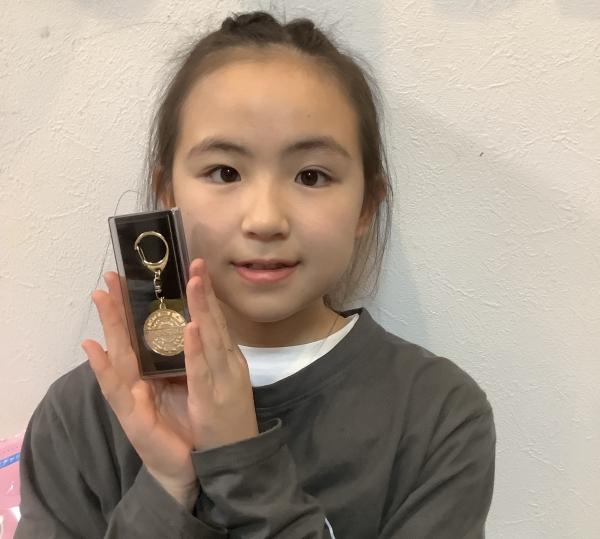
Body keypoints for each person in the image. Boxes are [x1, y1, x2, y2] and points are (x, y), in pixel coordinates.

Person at [15, 10, 496, 539]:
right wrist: (167, 484)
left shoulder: (437, 416)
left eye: (311, 175)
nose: (265, 219)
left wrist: (241, 464)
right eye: (225, 172)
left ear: (366, 206)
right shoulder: (80, 416)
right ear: (168, 193)